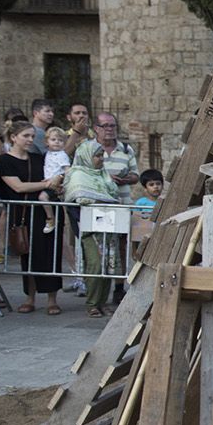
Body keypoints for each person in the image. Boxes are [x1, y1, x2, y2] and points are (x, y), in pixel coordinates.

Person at [67, 112, 135, 318]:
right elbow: (77, 197)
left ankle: (103, 301)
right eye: (96, 156)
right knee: (95, 264)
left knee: (109, 264)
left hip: (110, 223)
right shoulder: (78, 175)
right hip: (90, 227)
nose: (100, 159)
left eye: (100, 155)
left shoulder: (105, 174)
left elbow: (113, 194)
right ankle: (92, 302)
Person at [0, 121, 64, 314]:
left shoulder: (38, 158)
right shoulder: (4, 161)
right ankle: (30, 297)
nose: (30, 140)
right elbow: (18, 187)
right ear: (13, 137)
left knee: (50, 253)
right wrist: (46, 184)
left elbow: (57, 171)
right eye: (26, 136)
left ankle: (52, 299)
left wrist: (53, 183)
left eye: (32, 136)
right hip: (23, 212)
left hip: (44, 210)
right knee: (28, 254)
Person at [41, 126, 71, 232]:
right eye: (53, 140)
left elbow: (67, 170)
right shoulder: (47, 154)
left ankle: (50, 219)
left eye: (60, 140)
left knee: (42, 197)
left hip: (56, 184)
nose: (57, 142)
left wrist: (63, 182)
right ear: (47, 141)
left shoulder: (62, 155)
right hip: (48, 181)